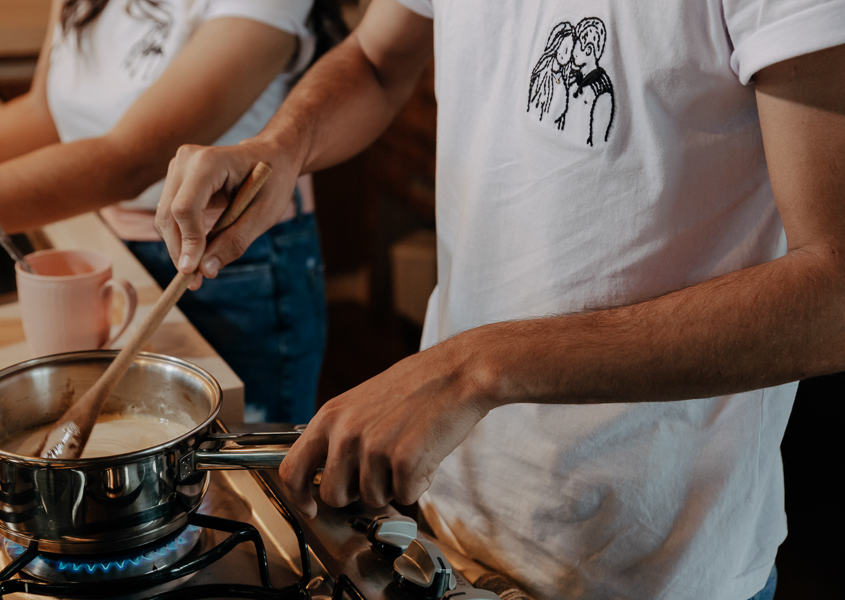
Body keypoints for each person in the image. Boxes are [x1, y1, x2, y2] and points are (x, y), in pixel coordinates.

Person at [154, 0, 845, 599]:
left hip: (648, 561)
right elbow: (374, 59)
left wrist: (473, 369)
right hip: (444, 517)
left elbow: (834, 296)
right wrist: (283, 144)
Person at [0, 0, 346, 423]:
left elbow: (131, 160)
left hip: (233, 268)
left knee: (236, 467)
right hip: (118, 248)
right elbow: (44, 112)